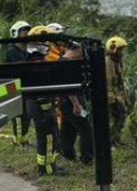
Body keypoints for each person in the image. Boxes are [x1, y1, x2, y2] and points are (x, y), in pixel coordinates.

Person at [26, 25, 65, 176]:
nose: (48, 45)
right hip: (41, 104)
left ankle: (46, 166)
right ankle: (48, 168)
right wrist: (47, 105)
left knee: (47, 135)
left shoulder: (35, 58)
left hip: (40, 102)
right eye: (45, 41)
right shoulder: (36, 60)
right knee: (47, 136)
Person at [59, 42, 94, 164]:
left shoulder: (62, 61)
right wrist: (76, 104)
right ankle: (87, 158)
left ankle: (68, 155)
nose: (81, 56)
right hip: (71, 101)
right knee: (86, 130)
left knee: (68, 129)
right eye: (81, 53)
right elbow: (68, 86)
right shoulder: (66, 63)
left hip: (65, 101)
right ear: (76, 49)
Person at [6, 21, 32, 147]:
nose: (27, 34)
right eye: (24, 31)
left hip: (26, 86)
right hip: (15, 87)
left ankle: (24, 139)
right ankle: (17, 140)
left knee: (27, 115)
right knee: (17, 115)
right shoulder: (12, 51)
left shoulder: (28, 51)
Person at [106, 36, 129, 146]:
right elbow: (108, 82)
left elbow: (120, 81)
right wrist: (112, 98)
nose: (121, 53)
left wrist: (124, 96)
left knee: (121, 118)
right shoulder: (107, 63)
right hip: (112, 97)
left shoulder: (117, 62)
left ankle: (116, 139)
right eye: (120, 50)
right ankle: (111, 141)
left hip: (118, 96)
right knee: (114, 119)